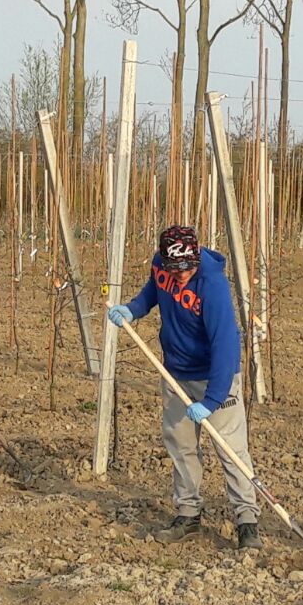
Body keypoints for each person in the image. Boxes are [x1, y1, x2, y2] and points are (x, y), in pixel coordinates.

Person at [108, 225, 262, 551]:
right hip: (176, 372)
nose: (179, 276)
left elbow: (226, 348)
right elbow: (154, 290)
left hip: (215, 376)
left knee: (231, 450)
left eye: (186, 270)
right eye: (173, 270)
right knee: (181, 446)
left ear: (196, 259)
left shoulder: (213, 286)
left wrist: (213, 399)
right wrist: (134, 310)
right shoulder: (162, 266)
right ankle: (188, 513)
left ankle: (247, 521)